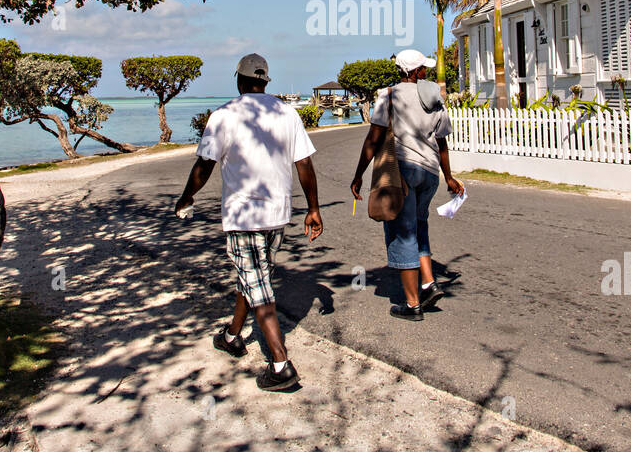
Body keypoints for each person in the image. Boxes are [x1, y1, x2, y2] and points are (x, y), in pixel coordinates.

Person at [175, 53, 323, 391]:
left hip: (244, 215)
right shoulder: (287, 113)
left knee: (259, 284)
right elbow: (304, 165)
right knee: (255, 277)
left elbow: (204, 166)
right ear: (265, 81)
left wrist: (186, 197)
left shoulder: (224, 115)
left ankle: (281, 364)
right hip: (278, 215)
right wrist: (313, 208)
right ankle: (232, 336)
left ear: (239, 81)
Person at [351, 49, 464, 321]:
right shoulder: (434, 99)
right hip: (429, 174)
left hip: (402, 172)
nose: (426, 72)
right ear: (414, 72)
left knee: (402, 232)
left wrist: (359, 175)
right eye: (423, 68)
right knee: (418, 226)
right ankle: (428, 283)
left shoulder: (388, 97)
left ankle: (412, 305)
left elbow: (373, 139)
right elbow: (442, 142)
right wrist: (448, 177)